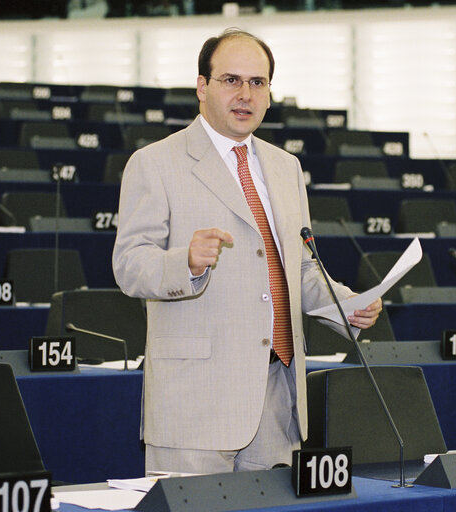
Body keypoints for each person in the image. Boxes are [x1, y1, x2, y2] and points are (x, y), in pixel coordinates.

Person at [112, 28, 381, 475]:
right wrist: (186, 262)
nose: (245, 94)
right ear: (202, 87)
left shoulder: (286, 167)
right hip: (195, 404)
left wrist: (344, 305)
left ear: (270, 95)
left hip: (277, 400)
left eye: (257, 83)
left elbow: (297, 269)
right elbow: (129, 265)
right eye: (230, 80)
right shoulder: (155, 162)